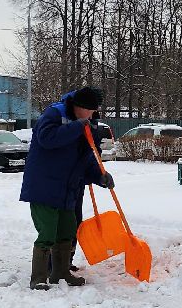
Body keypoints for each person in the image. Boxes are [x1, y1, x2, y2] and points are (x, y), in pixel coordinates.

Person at [19, 86, 114, 290]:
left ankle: (61, 273)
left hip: (68, 188)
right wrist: (76, 127)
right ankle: (39, 277)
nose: (92, 115)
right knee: (47, 231)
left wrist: (100, 176)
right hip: (45, 186)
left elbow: (87, 159)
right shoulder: (55, 113)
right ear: (80, 107)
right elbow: (46, 138)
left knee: (68, 230)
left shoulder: (87, 124)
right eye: (90, 111)